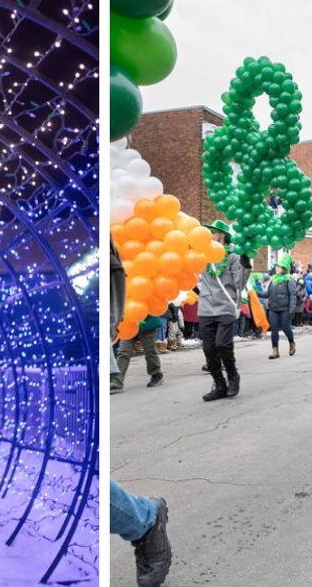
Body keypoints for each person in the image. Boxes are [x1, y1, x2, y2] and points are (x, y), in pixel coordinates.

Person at [108, 239, 173, 586]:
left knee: (148, 353)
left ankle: (146, 520)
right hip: (119, 326)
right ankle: (146, 520)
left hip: (140, 322)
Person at [198, 220, 251, 401]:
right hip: (205, 307)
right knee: (209, 350)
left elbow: (238, 284)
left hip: (226, 306)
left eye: (212, 232)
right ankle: (219, 384)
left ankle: (233, 375)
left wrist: (246, 263)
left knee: (222, 345)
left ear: (221, 235)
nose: (209, 235)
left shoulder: (233, 255)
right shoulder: (201, 254)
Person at [258, 254, 299, 359]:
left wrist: (292, 309)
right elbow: (267, 294)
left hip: (285, 309)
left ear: (284, 269)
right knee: (274, 329)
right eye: (276, 266)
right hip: (273, 309)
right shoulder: (273, 280)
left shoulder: (289, 280)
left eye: (279, 267)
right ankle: (275, 350)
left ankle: (291, 342)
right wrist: (255, 293)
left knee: (286, 328)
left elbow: (293, 296)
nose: (276, 268)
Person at [113, 312, 164, 391]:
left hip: (146, 322)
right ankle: (117, 382)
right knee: (123, 352)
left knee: (149, 351)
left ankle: (156, 374)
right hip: (127, 325)